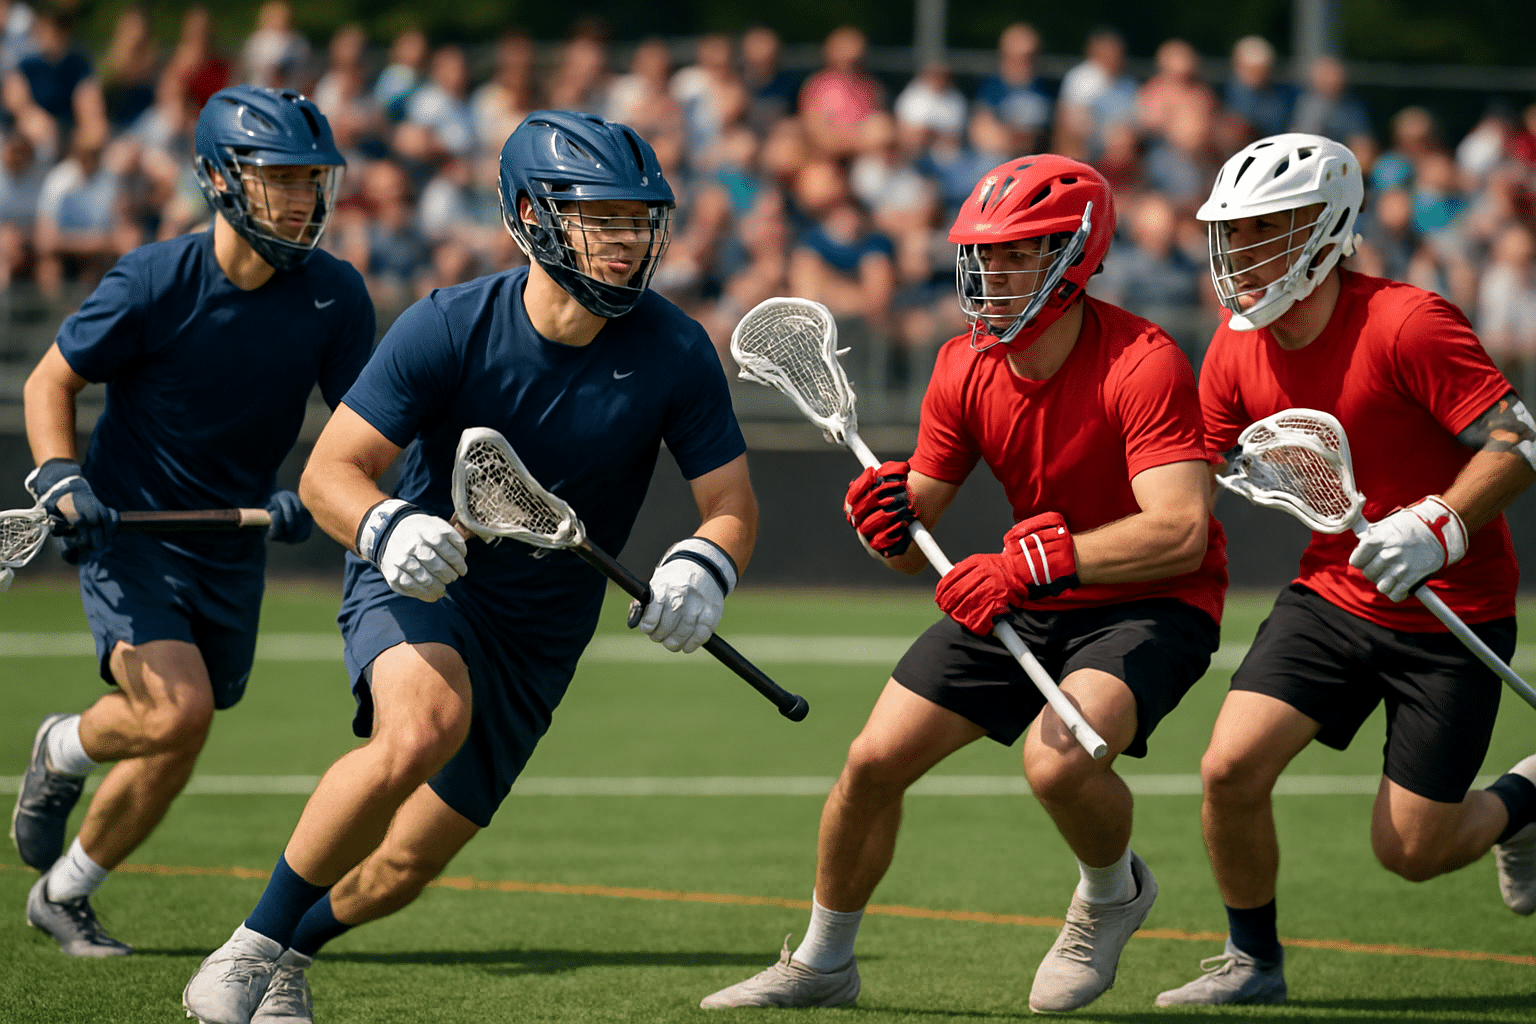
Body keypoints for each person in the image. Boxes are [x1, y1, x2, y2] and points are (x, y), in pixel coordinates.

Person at [181, 109, 758, 1024]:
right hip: (423, 576)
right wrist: (382, 529)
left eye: (638, 219)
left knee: (404, 868)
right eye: (598, 217)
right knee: (420, 729)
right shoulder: (447, 326)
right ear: (530, 215)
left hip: (544, 635)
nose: (625, 241)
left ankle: (292, 952)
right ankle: (246, 950)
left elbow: (731, 506)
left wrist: (703, 567)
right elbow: (331, 473)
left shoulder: (675, 347)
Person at [700, 155, 1227, 1013]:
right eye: (984, 255)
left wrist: (1036, 563)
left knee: (1057, 767)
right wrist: (886, 526)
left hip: (1152, 600)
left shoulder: (1145, 360)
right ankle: (824, 963)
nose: (992, 275)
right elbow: (917, 545)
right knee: (871, 762)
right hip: (1030, 589)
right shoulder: (962, 365)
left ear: (1075, 257)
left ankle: (1111, 896)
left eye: (1019, 255)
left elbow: (1178, 531)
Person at [1157, 133, 1536, 1007]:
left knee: (1413, 853)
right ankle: (1252, 961)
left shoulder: (1409, 321)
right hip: (1332, 595)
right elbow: (1198, 475)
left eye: (1265, 231)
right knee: (1228, 768)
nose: (1240, 254)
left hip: (1456, 608)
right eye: (1234, 232)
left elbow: (1519, 443)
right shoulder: (1232, 346)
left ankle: (1524, 799)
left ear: (1326, 230)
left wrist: (1438, 524)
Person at [11, 85, 370, 958]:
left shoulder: (334, 295)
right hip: (126, 534)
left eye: (311, 181)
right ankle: (62, 746)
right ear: (218, 179)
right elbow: (49, 383)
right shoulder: (153, 280)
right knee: (177, 713)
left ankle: (64, 893)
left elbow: (368, 425)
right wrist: (62, 478)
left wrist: (315, 491)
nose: (300, 199)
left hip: (231, 544)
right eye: (278, 180)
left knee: (184, 727)